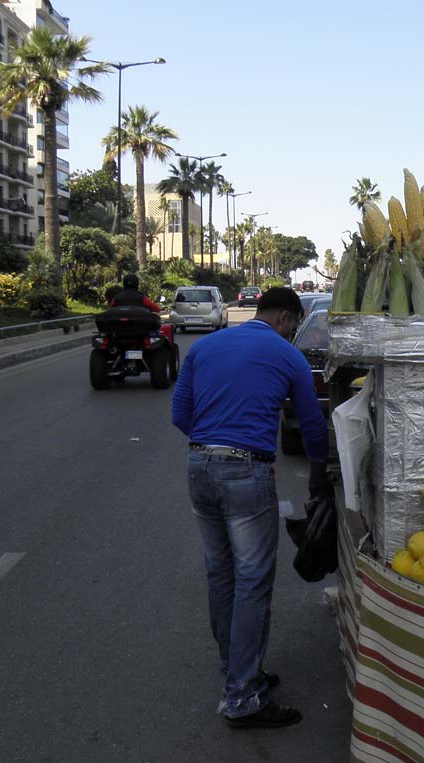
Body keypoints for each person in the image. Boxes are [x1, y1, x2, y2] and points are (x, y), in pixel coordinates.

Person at [171, 287, 329, 728]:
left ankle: (238, 672)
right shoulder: (288, 355)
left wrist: (214, 446)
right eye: (293, 325)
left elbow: (180, 414)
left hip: (199, 467)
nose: (292, 332)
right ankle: (242, 696)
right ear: (284, 318)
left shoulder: (204, 347)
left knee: (221, 576)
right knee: (252, 584)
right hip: (246, 472)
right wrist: (319, 475)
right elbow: (312, 426)